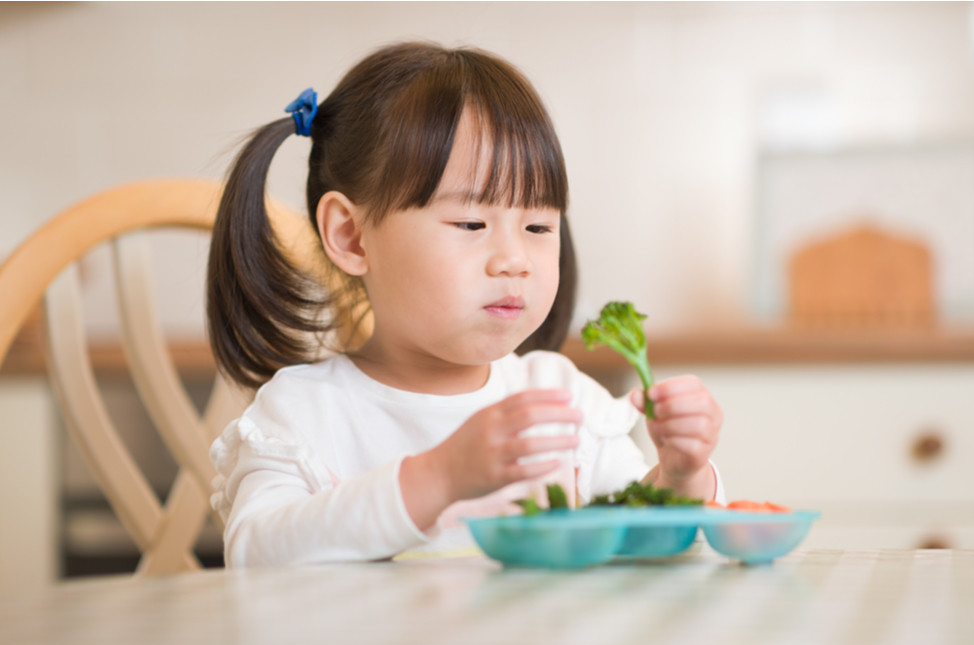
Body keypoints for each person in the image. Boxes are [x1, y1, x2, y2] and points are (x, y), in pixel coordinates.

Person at [206, 41, 725, 567]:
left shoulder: (563, 401)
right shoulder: (305, 413)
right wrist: (438, 477)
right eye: (472, 223)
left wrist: (681, 477)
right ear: (352, 237)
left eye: (538, 227)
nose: (515, 260)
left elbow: (642, 547)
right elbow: (253, 556)